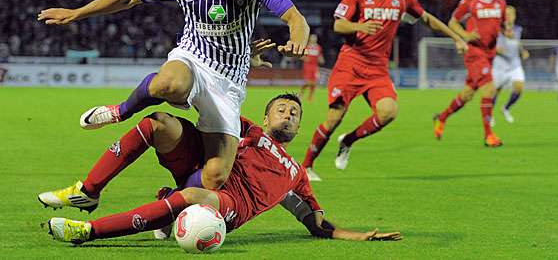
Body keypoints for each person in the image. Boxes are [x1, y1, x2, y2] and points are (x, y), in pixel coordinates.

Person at [37, 0, 309, 190]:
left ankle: (173, 199)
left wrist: (297, 43)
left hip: (229, 80)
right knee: (168, 84)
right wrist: (77, 13)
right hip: (193, 57)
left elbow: (296, 19)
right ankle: (120, 111)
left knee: (215, 177)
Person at [42, 94, 401, 244]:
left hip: (229, 204)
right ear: (265, 116)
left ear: (299, 127)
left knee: (194, 195)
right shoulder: (250, 131)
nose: (288, 115)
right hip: (204, 170)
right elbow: (213, 104)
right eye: (281, 109)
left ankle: (88, 231)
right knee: (159, 123)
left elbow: (317, 224)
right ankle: (88, 192)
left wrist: (360, 237)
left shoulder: (296, 173)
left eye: (294, 114)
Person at [301, 0, 468, 181]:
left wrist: (456, 37)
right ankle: (306, 167)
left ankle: (348, 140)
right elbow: (338, 25)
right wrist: (359, 26)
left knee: (389, 112)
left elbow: (427, 19)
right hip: (350, 63)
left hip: (378, 69)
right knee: (334, 118)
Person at [433, 0, 506, 147]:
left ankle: (441, 117)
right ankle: (489, 135)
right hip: (474, 53)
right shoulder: (470, 3)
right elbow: (452, 22)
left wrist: (504, 37)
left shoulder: (500, 3)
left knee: (467, 94)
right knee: (489, 89)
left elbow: (500, 26)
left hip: (490, 54)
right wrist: (464, 35)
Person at [491, 6, 529, 125]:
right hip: (500, 64)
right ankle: (490, 114)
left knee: (519, 88)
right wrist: (495, 49)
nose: (509, 16)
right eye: (506, 14)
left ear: (514, 16)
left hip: (514, 63)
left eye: (511, 14)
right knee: (495, 91)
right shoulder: (496, 29)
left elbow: (517, 42)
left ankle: (505, 108)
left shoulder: (518, 29)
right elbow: (489, 44)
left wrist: (522, 51)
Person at [299, 34, 324, 102]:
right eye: (312, 38)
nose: (314, 39)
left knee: (314, 83)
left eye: (315, 38)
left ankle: (310, 97)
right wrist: (305, 58)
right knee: (307, 82)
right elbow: (301, 56)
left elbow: (320, 56)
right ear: (310, 39)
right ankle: (301, 93)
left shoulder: (318, 47)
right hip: (307, 66)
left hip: (315, 67)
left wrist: (321, 59)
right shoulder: (307, 47)